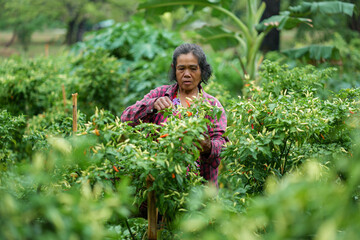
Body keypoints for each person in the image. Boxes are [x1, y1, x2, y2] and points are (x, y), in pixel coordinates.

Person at [121, 43, 227, 187]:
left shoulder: (212, 105)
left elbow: (223, 146)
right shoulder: (160, 94)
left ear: (202, 70)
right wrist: (152, 104)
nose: (187, 74)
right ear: (174, 70)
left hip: (198, 190)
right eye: (181, 68)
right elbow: (126, 118)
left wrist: (209, 146)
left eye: (193, 68)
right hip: (158, 184)